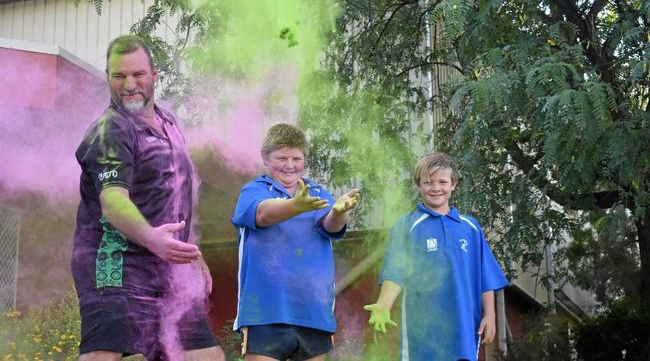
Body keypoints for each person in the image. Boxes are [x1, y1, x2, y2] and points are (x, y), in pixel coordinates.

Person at [72, 35, 224, 361]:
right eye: (119, 76)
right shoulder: (110, 130)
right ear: (108, 77)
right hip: (115, 272)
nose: (129, 84)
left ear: (154, 74)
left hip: (168, 272)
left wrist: (186, 251)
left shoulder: (169, 123)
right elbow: (113, 200)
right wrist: (153, 239)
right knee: (104, 357)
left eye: (137, 74)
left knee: (207, 356)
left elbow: (172, 194)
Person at [231, 123, 360, 361]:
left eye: (296, 158)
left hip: (313, 311)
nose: (290, 165)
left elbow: (330, 225)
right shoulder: (255, 189)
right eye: (282, 158)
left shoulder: (318, 193)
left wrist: (340, 212)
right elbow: (262, 214)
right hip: (265, 311)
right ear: (265, 159)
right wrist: (295, 206)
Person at [363, 152, 509, 360]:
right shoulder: (406, 226)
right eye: (428, 182)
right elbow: (396, 272)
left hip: (465, 327)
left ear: (453, 184)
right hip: (422, 330)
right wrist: (384, 304)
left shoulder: (470, 228)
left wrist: (490, 314)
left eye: (442, 181)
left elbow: (485, 277)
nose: (436, 188)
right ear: (418, 185)